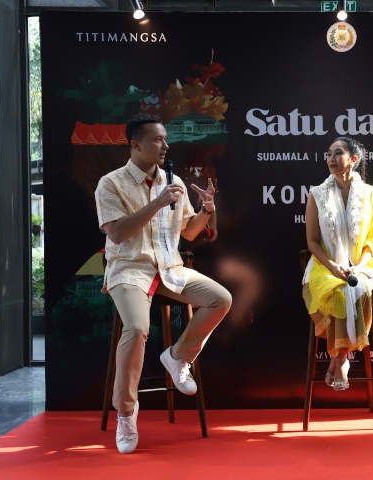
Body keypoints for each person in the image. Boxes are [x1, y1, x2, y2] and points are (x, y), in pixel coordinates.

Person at [95, 113, 232, 454]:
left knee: (221, 299)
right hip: (130, 268)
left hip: (170, 267)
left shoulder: (174, 182)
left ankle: (177, 357)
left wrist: (206, 210)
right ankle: (126, 413)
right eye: (157, 139)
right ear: (136, 145)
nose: (165, 146)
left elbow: (189, 232)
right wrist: (157, 203)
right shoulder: (110, 184)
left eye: (165, 139)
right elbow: (116, 233)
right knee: (137, 328)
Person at [302, 136, 373, 391]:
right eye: (329, 153)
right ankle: (341, 359)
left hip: (362, 266)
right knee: (338, 291)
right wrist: (333, 266)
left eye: (337, 153)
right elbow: (312, 242)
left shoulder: (372, 196)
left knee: (359, 288)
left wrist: (358, 268)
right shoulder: (316, 194)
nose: (331, 158)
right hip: (324, 266)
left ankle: (337, 358)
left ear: (353, 159)